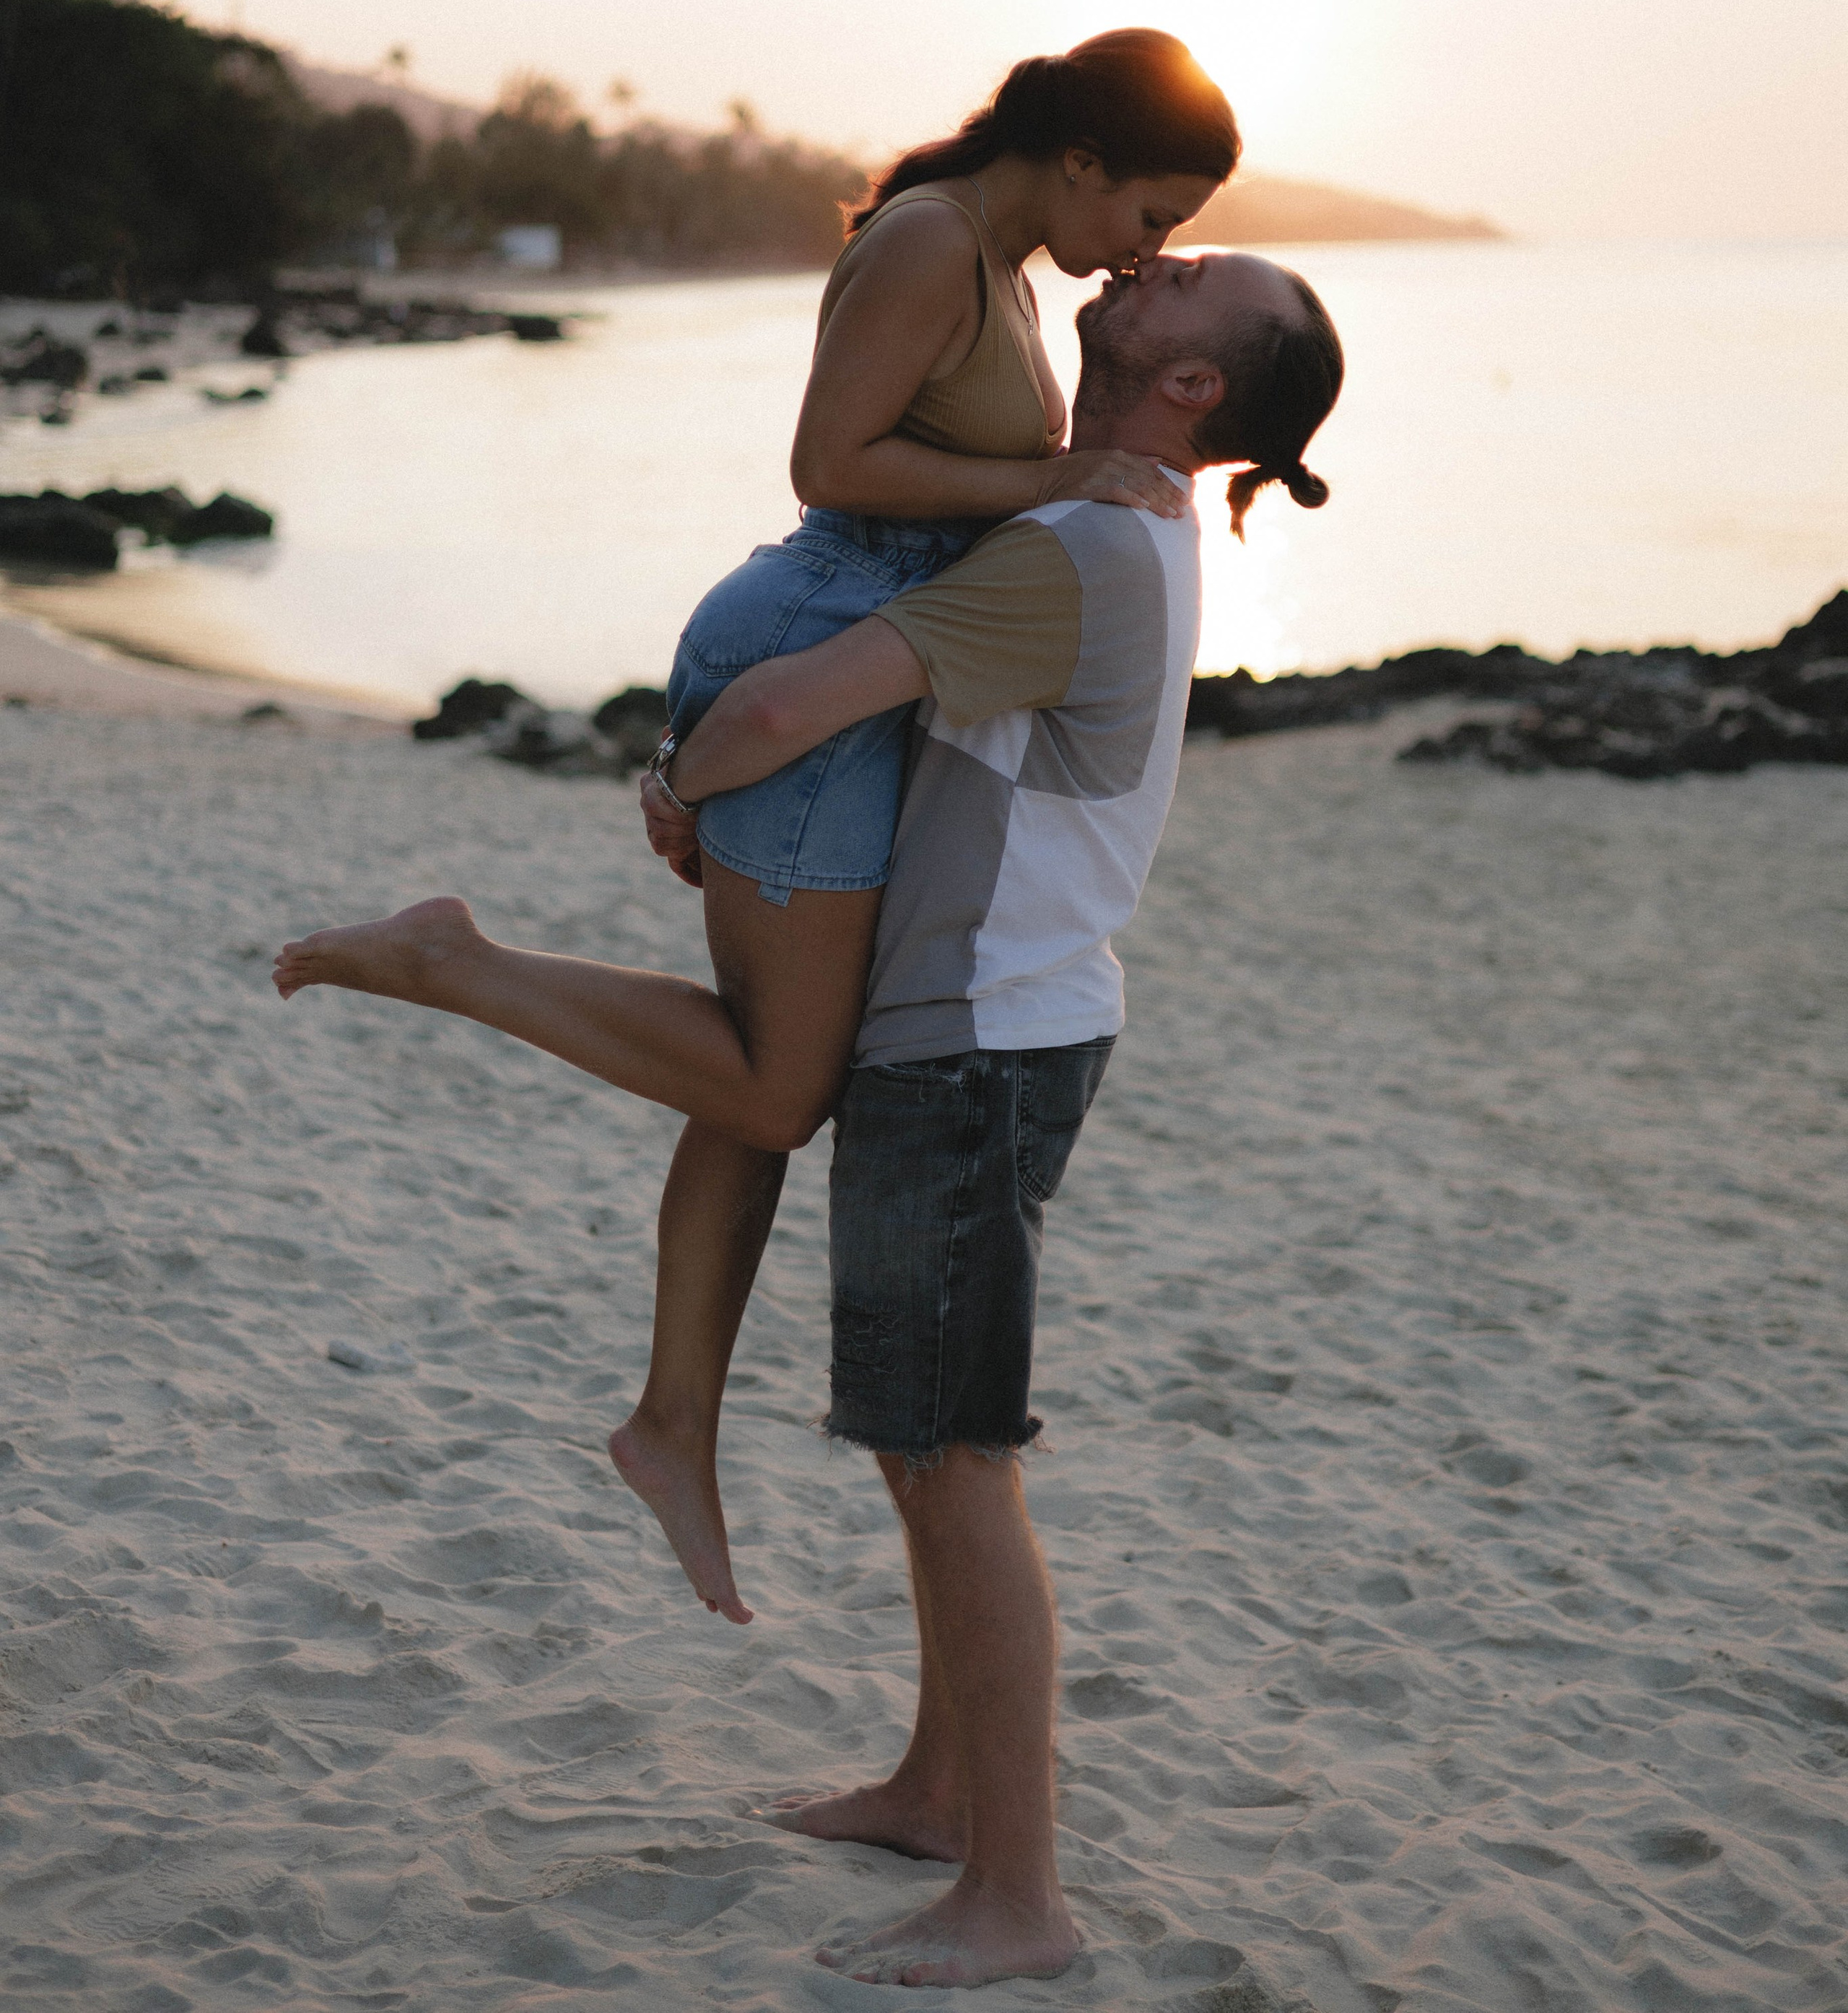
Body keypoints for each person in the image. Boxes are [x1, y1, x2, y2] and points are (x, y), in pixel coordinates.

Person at [274, 246, 1345, 1989]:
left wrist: (679, 786)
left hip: (974, 1043)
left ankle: (1021, 1896)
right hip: (990, 1025)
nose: (1147, 267)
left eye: (1186, 278)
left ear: (1193, 386)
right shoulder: (1107, 522)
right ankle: (936, 1794)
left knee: (954, 1463)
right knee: (927, 1455)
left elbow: (790, 706)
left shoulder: (1078, 549)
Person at [292, 30, 1239, 1630]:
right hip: (814, 643)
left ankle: (673, 1423)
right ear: (1079, 162)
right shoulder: (935, 240)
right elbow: (828, 460)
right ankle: (451, 964)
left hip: (850, 664)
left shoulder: (998, 254)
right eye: (1149, 212)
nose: (1150, 250)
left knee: (755, 1065)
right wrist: (1063, 469)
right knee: (777, 1080)